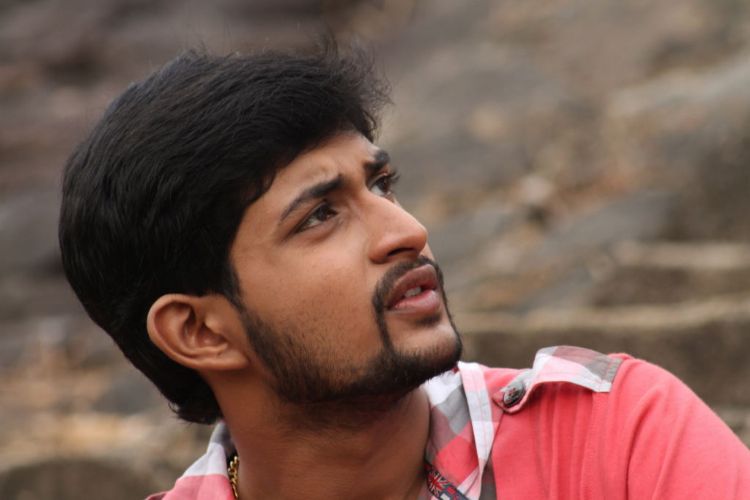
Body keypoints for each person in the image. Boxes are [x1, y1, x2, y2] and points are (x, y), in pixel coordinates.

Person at [58, 43, 750, 500]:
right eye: (320, 215)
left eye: (381, 185)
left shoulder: (612, 438)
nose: (407, 231)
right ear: (200, 332)